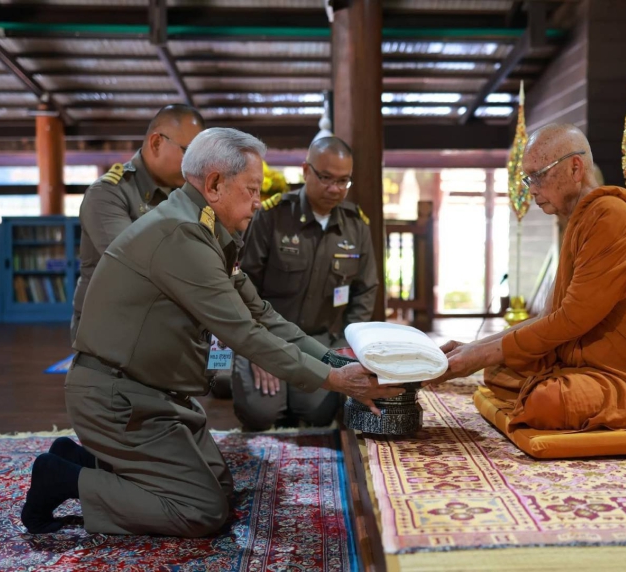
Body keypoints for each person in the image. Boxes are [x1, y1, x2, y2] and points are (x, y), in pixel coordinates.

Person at [20, 128, 402, 537]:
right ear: (216, 184)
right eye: (251, 189)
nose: (258, 201)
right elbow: (245, 335)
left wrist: (333, 359)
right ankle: (63, 481)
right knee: (201, 511)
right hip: (118, 398)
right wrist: (335, 380)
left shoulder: (205, 231)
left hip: (156, 395)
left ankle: (78, 460)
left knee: (220, 487)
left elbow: (263, 314)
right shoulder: (182, 235)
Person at [431, 123, 626, 431]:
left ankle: (564, 388)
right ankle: (560, 381)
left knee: (547, 402)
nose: (531, 189)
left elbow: (572, 319)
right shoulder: (582, 220)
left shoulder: (611, 214)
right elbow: (550, 316)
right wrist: (473, 349)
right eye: (527, 178)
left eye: (538, 175)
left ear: (575, 167)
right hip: (594, 365)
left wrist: (477, 355)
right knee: (498, 368)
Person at [228, 136, 378, 430]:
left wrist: (343, 350)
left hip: (320, 342)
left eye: (343, 181)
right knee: (260, 411)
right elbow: (242, 286)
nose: (335, 189)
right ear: (306, 171)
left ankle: (297, 399)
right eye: (326, 178)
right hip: (268, 337)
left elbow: (365, 291)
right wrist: (256, 349)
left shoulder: (356, 225)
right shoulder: (272, 216)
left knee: (318, 412)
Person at [70, 104, 205, 342]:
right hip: (112, 333)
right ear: (156, 143)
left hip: (169, 330)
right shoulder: (110, 193)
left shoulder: (190, 196)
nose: (197, 166)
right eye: (189, 153)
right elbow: (137, 265)